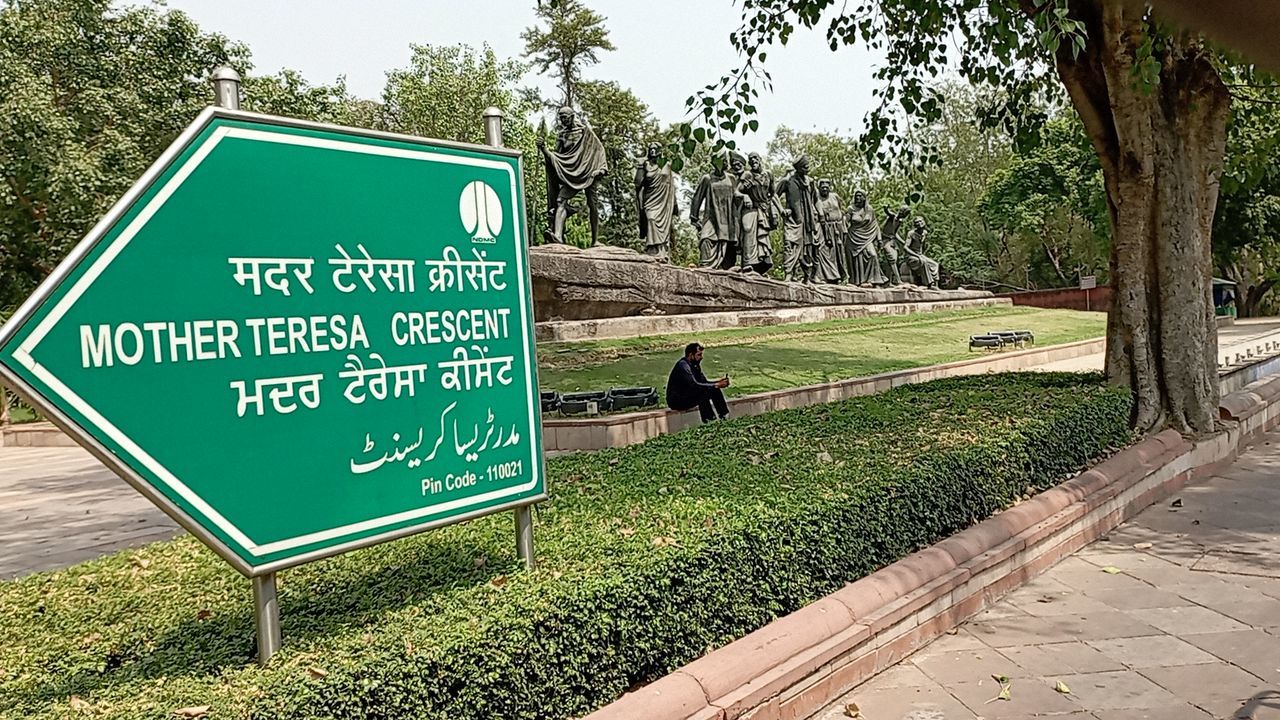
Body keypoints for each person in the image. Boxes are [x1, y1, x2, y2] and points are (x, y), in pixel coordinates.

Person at [539, 107, 608, 245]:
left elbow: (599, 150)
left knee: (592, 204)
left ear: (572, 116)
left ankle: (596, 240)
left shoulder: (585, 132)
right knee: (560, 201)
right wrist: (544, 149)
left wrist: (601, 169)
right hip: (572, 175)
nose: (563, 120)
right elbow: (557, 159)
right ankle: (558, 236)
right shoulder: (562, 135)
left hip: (589, 173)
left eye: (565, 117)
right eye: (561, 118)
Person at [666, 342, 731, 423]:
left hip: (688, 395)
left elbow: (704, 382)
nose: (701, 357)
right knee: (703, 394)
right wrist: (716, 385)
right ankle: (710, 421)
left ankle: (724, 416)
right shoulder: (683, 365)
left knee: (714, 390)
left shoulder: (695, 366)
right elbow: (694, 385)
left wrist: (719, 383)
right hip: (677, 400)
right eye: (699, 355)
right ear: (691, 355)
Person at [634, 143, 678, 261]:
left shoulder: (667, 165)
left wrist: (674, 204)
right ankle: (651, 249)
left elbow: (672, 185)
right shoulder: (645, 165)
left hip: (664, 201)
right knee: (651, 219)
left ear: (660, 151)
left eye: (655, 149)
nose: (653, 151)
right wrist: (639, 166)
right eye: (651, 149)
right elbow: (638, 183)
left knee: (664, 226)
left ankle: (661, 251)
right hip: (650, 199)